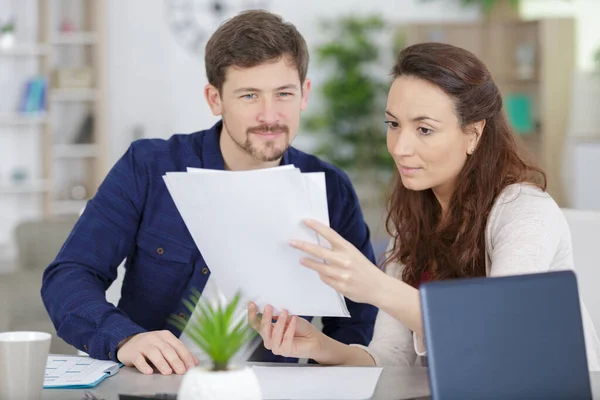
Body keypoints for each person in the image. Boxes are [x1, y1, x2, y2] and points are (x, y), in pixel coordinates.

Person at [41, 10, 378, 375]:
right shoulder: (149, 166)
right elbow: (70, 274)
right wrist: (125, 339)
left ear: (304, 94)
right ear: (215, 99)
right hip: (154, 384)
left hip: (270, 388)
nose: (270, 115)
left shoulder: (331, 189)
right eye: (249, 95)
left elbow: (358, 320)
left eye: (283, 93)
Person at [248, 42, 600, 371]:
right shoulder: (416, 215)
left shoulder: (525, 211)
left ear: (474, 133)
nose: (400, 147)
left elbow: (498, 338)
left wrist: (376, 287)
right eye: (393, 124)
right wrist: (320, 347)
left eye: (425, 130)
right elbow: (392, 358)